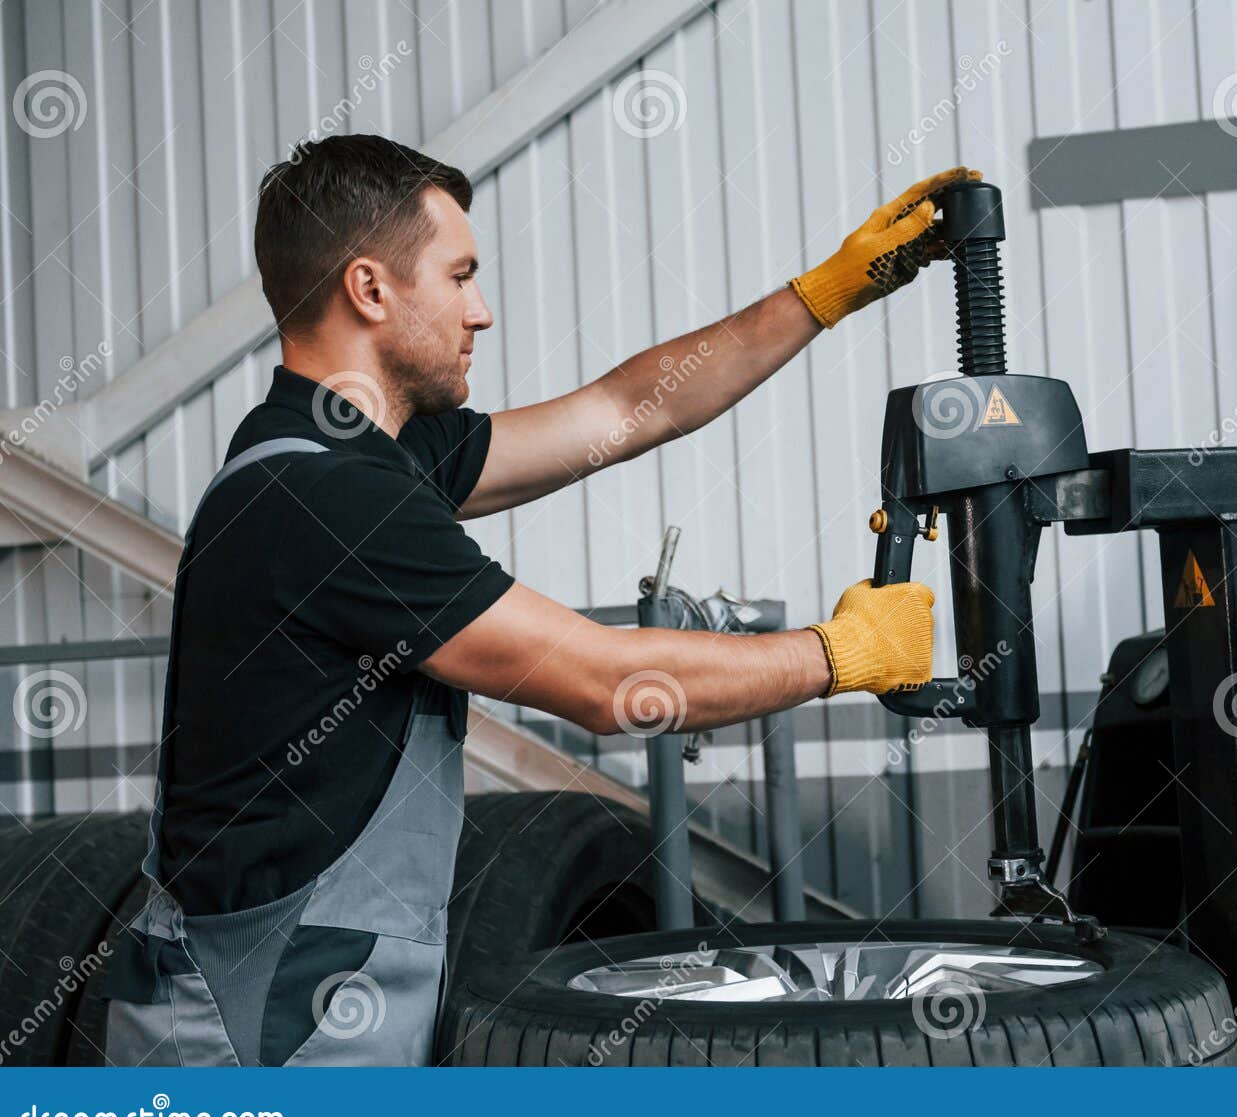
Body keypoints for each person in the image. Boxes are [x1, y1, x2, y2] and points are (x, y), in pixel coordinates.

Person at [103, 133, 974, 1066]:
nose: (480, 313)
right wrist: (842, 652)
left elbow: (626, 410)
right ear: (370, 289)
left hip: (310, 1004)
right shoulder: (326, 498)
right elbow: (607, 681)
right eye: (460, 275)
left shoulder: (355, 455)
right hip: (250, 1038)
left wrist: (824, 294)